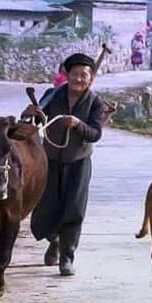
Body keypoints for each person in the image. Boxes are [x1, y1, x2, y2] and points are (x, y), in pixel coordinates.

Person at [31, 52, 107, 276]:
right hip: (51, 160)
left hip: (78, 162)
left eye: (84, 75)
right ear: (67, 75)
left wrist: (77, 125)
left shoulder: (95, 102)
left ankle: (67, 256)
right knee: (46, 207)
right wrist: (34, 113)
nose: (79, 80)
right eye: (75, 74)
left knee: (74, 209)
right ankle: (53, 240)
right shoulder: (52, 95)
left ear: (91, 78)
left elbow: (95, 134)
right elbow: (38, 121)